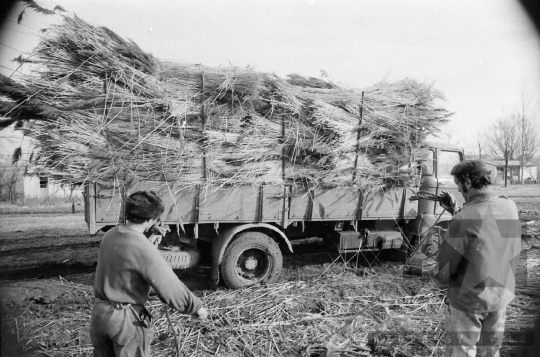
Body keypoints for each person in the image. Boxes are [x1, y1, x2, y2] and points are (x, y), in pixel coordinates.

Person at [90, 190, 208, 357]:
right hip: (125, 321)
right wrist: (195, 307)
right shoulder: (142, 248)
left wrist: (148, 243)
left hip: (100, 315)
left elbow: (126, 259)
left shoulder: (110, 235)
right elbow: (169, 286)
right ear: (152, 219)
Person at [434, 160, 521, 357]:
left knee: (462, 352)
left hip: (468, 301)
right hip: (500, 296)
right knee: (490, 351)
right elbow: (488, 230)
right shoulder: (510, 206)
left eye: (458, 185)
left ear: (467, 182)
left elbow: (444, 270)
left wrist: (436, 278)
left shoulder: (462, 220)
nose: (460, 191)